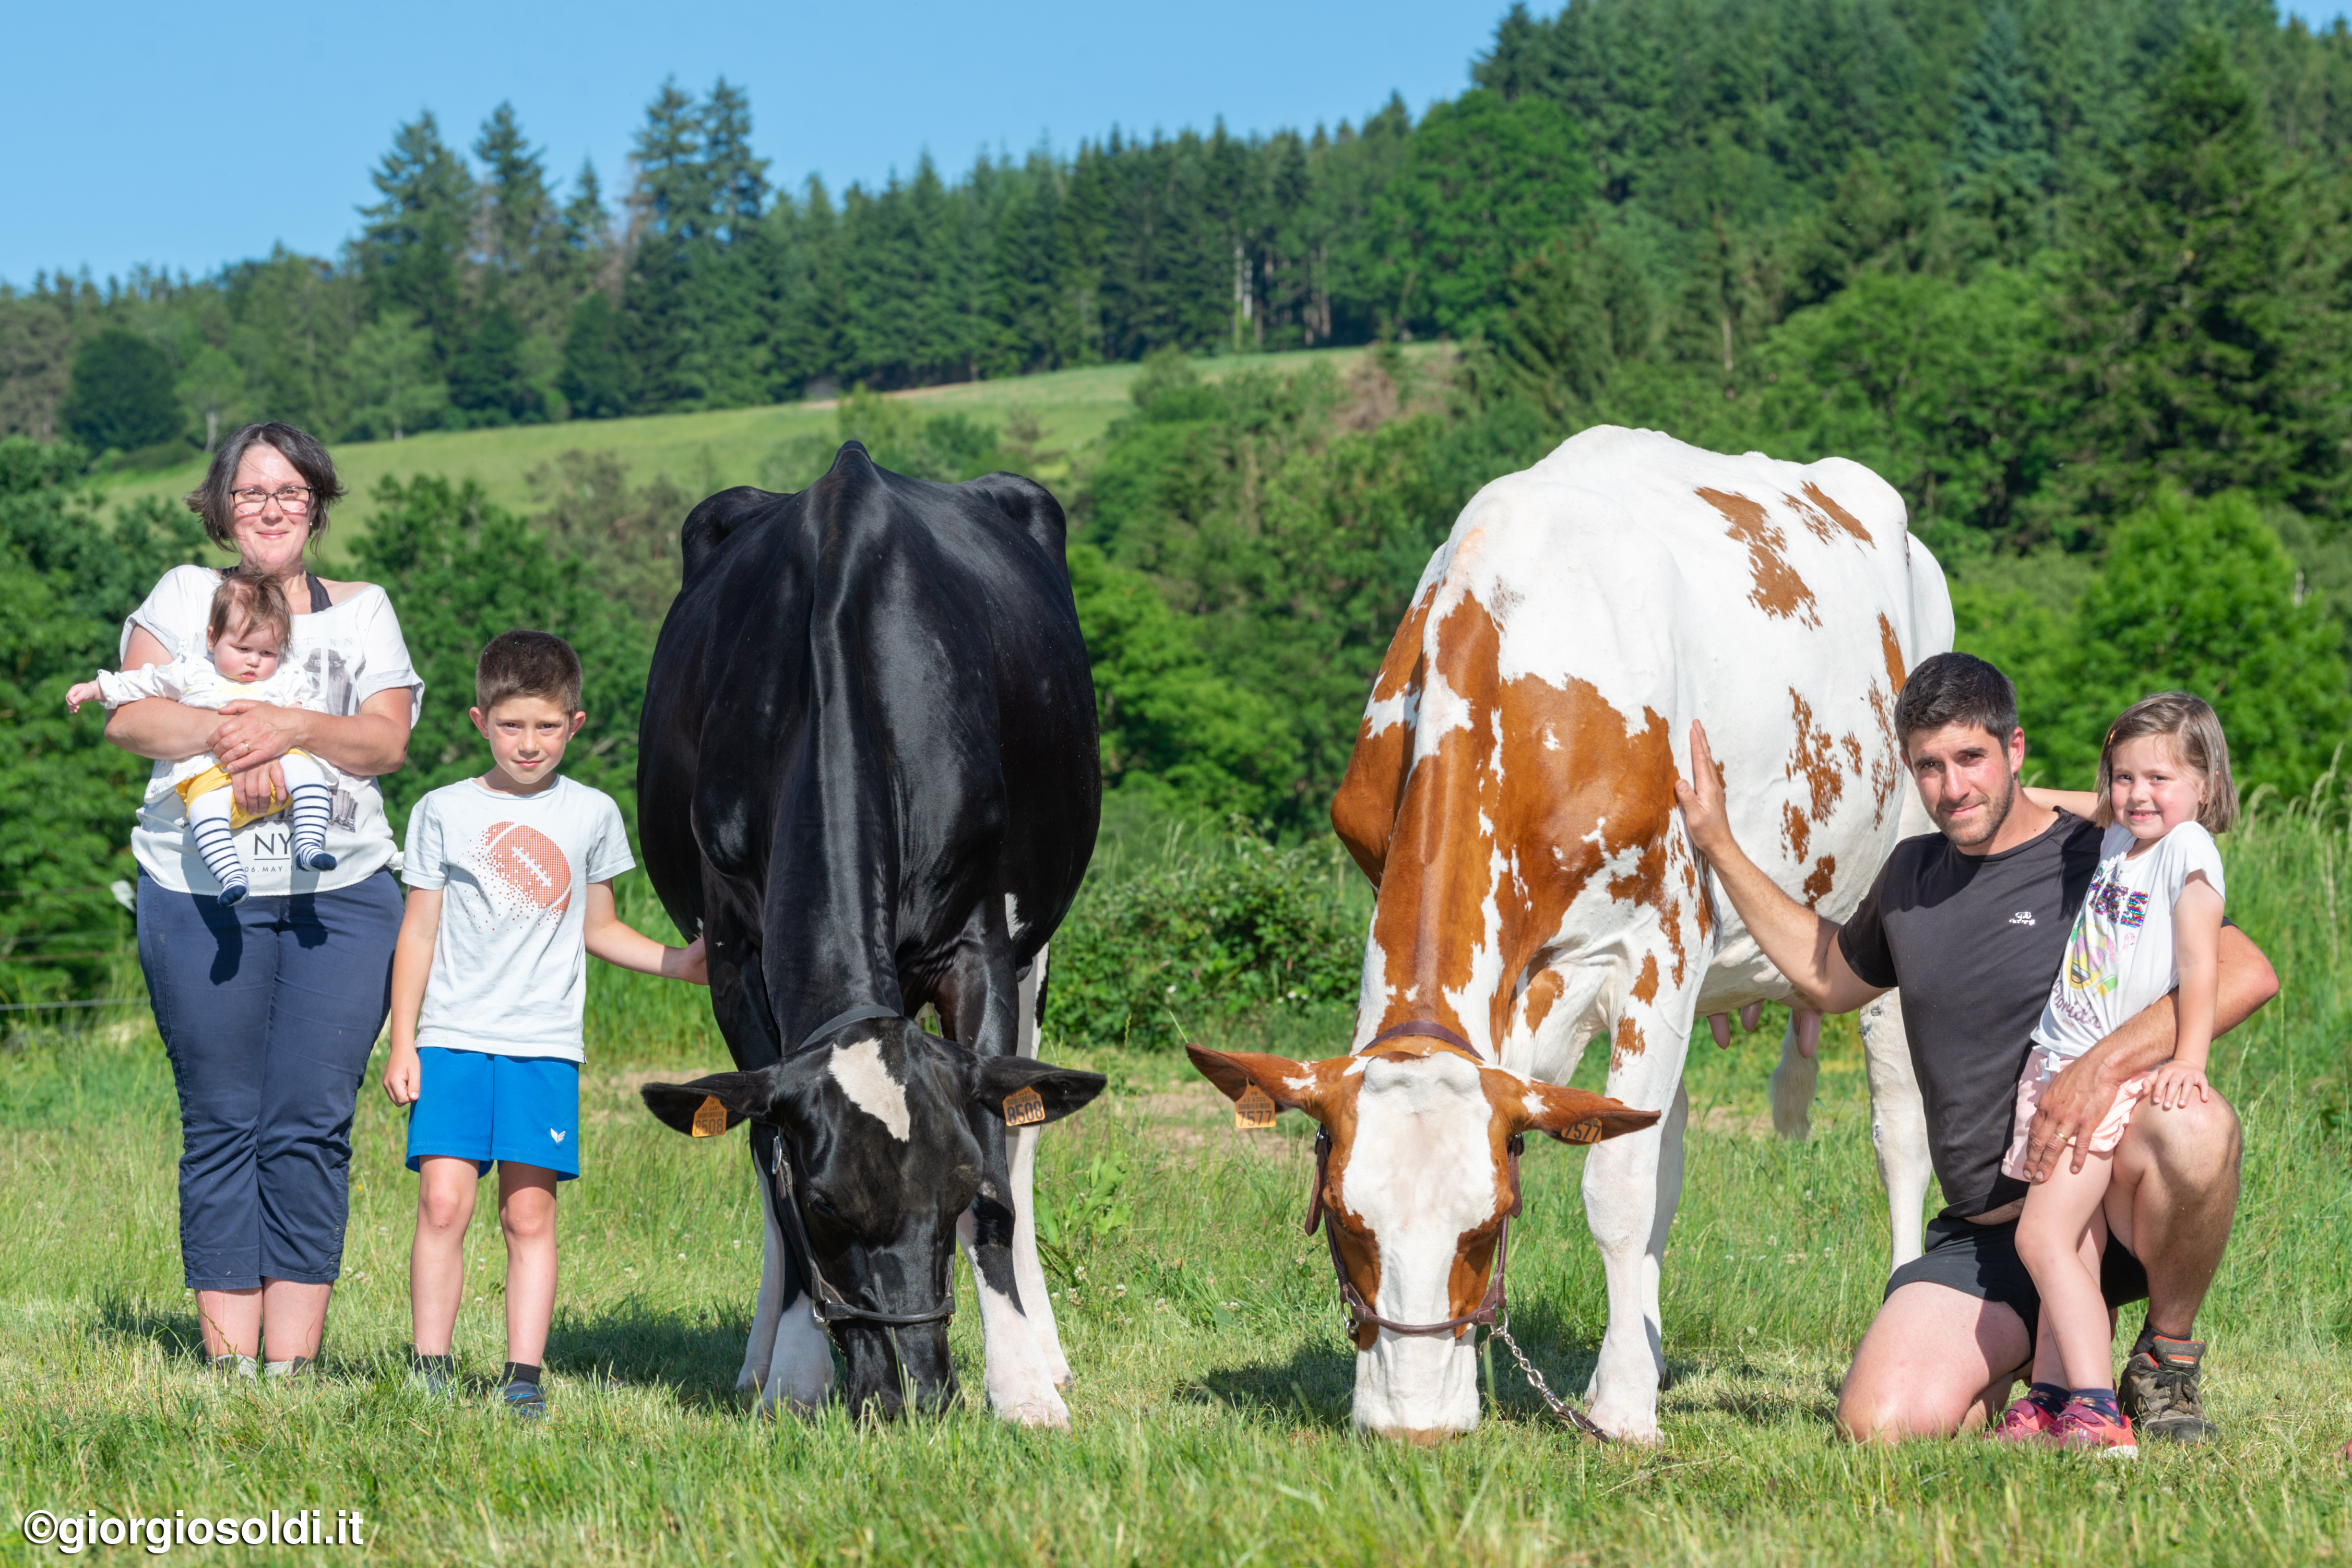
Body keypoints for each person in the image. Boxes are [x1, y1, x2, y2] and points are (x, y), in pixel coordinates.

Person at [1673, 652, 2275, 1444]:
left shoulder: (2090, 854)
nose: (1951, 788)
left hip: (2106, 1201)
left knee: (2196, 1127)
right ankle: (2037, 1372)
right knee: (1877, 1426)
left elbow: (2243, 972)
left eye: (1970, 758)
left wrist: (2098, 1068)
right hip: (1985, 1232)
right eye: (1928, 766)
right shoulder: (1910, 876)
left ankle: (2163, 1361)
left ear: (2013, 750)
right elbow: (1825, 978)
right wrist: (1715, 841)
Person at [106, 421, 422, 1379]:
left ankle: (290, 1366)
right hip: (195, 888)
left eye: (290, 492)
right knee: (223, 1115)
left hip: (343, 895)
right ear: (221, 506)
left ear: (317, 503)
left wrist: (292, 725)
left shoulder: (364, 611)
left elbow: (383, 741)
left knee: (312, 1116)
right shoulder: (182, 595)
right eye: (251, 492)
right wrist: (239, 736)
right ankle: (229, 1365)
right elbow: (131, 713)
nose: (272, 508)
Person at [383, 631, 706, 1418]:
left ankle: (521, 1378)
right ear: (479, 721)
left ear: (575, 723)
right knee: (443, 1206)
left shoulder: (592, 814)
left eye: (547, 727)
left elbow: (598, 927)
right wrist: (402, 1040)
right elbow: (417, 932)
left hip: (543, 1048)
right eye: (512, 726)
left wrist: (681, 962)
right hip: (452, 1040)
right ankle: (431, 1367)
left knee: (528, 1213)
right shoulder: (442, 811)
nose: (529, 744)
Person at [1990, 694, 2234, 1454]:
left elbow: (2201, 966)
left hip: (2101, 1076)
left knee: (2042, 1239)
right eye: (2122, 777)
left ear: (2203, 783)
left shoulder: (2185, 848)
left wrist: (2188, 1059)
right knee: (2079, 1243)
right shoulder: (2117, 841)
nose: (2135, 794)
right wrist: (2010, 792)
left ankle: (2095, 1408)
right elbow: (2074, 804)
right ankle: (2052, 1396)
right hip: (2055, 1062)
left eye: (2158, 777)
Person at [72, 571, 341, 901]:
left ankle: (310, 845)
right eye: (242, 648)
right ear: (212, 639)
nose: (254, 661)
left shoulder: (285, 677)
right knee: (202, 812)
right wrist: (96, 688)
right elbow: (142, 683)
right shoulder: (193, 671)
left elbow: (312, 713)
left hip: (280, 770)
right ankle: (231, 877)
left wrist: (298, 711)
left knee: (309, 774)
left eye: (268, 653)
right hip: (212, 775)